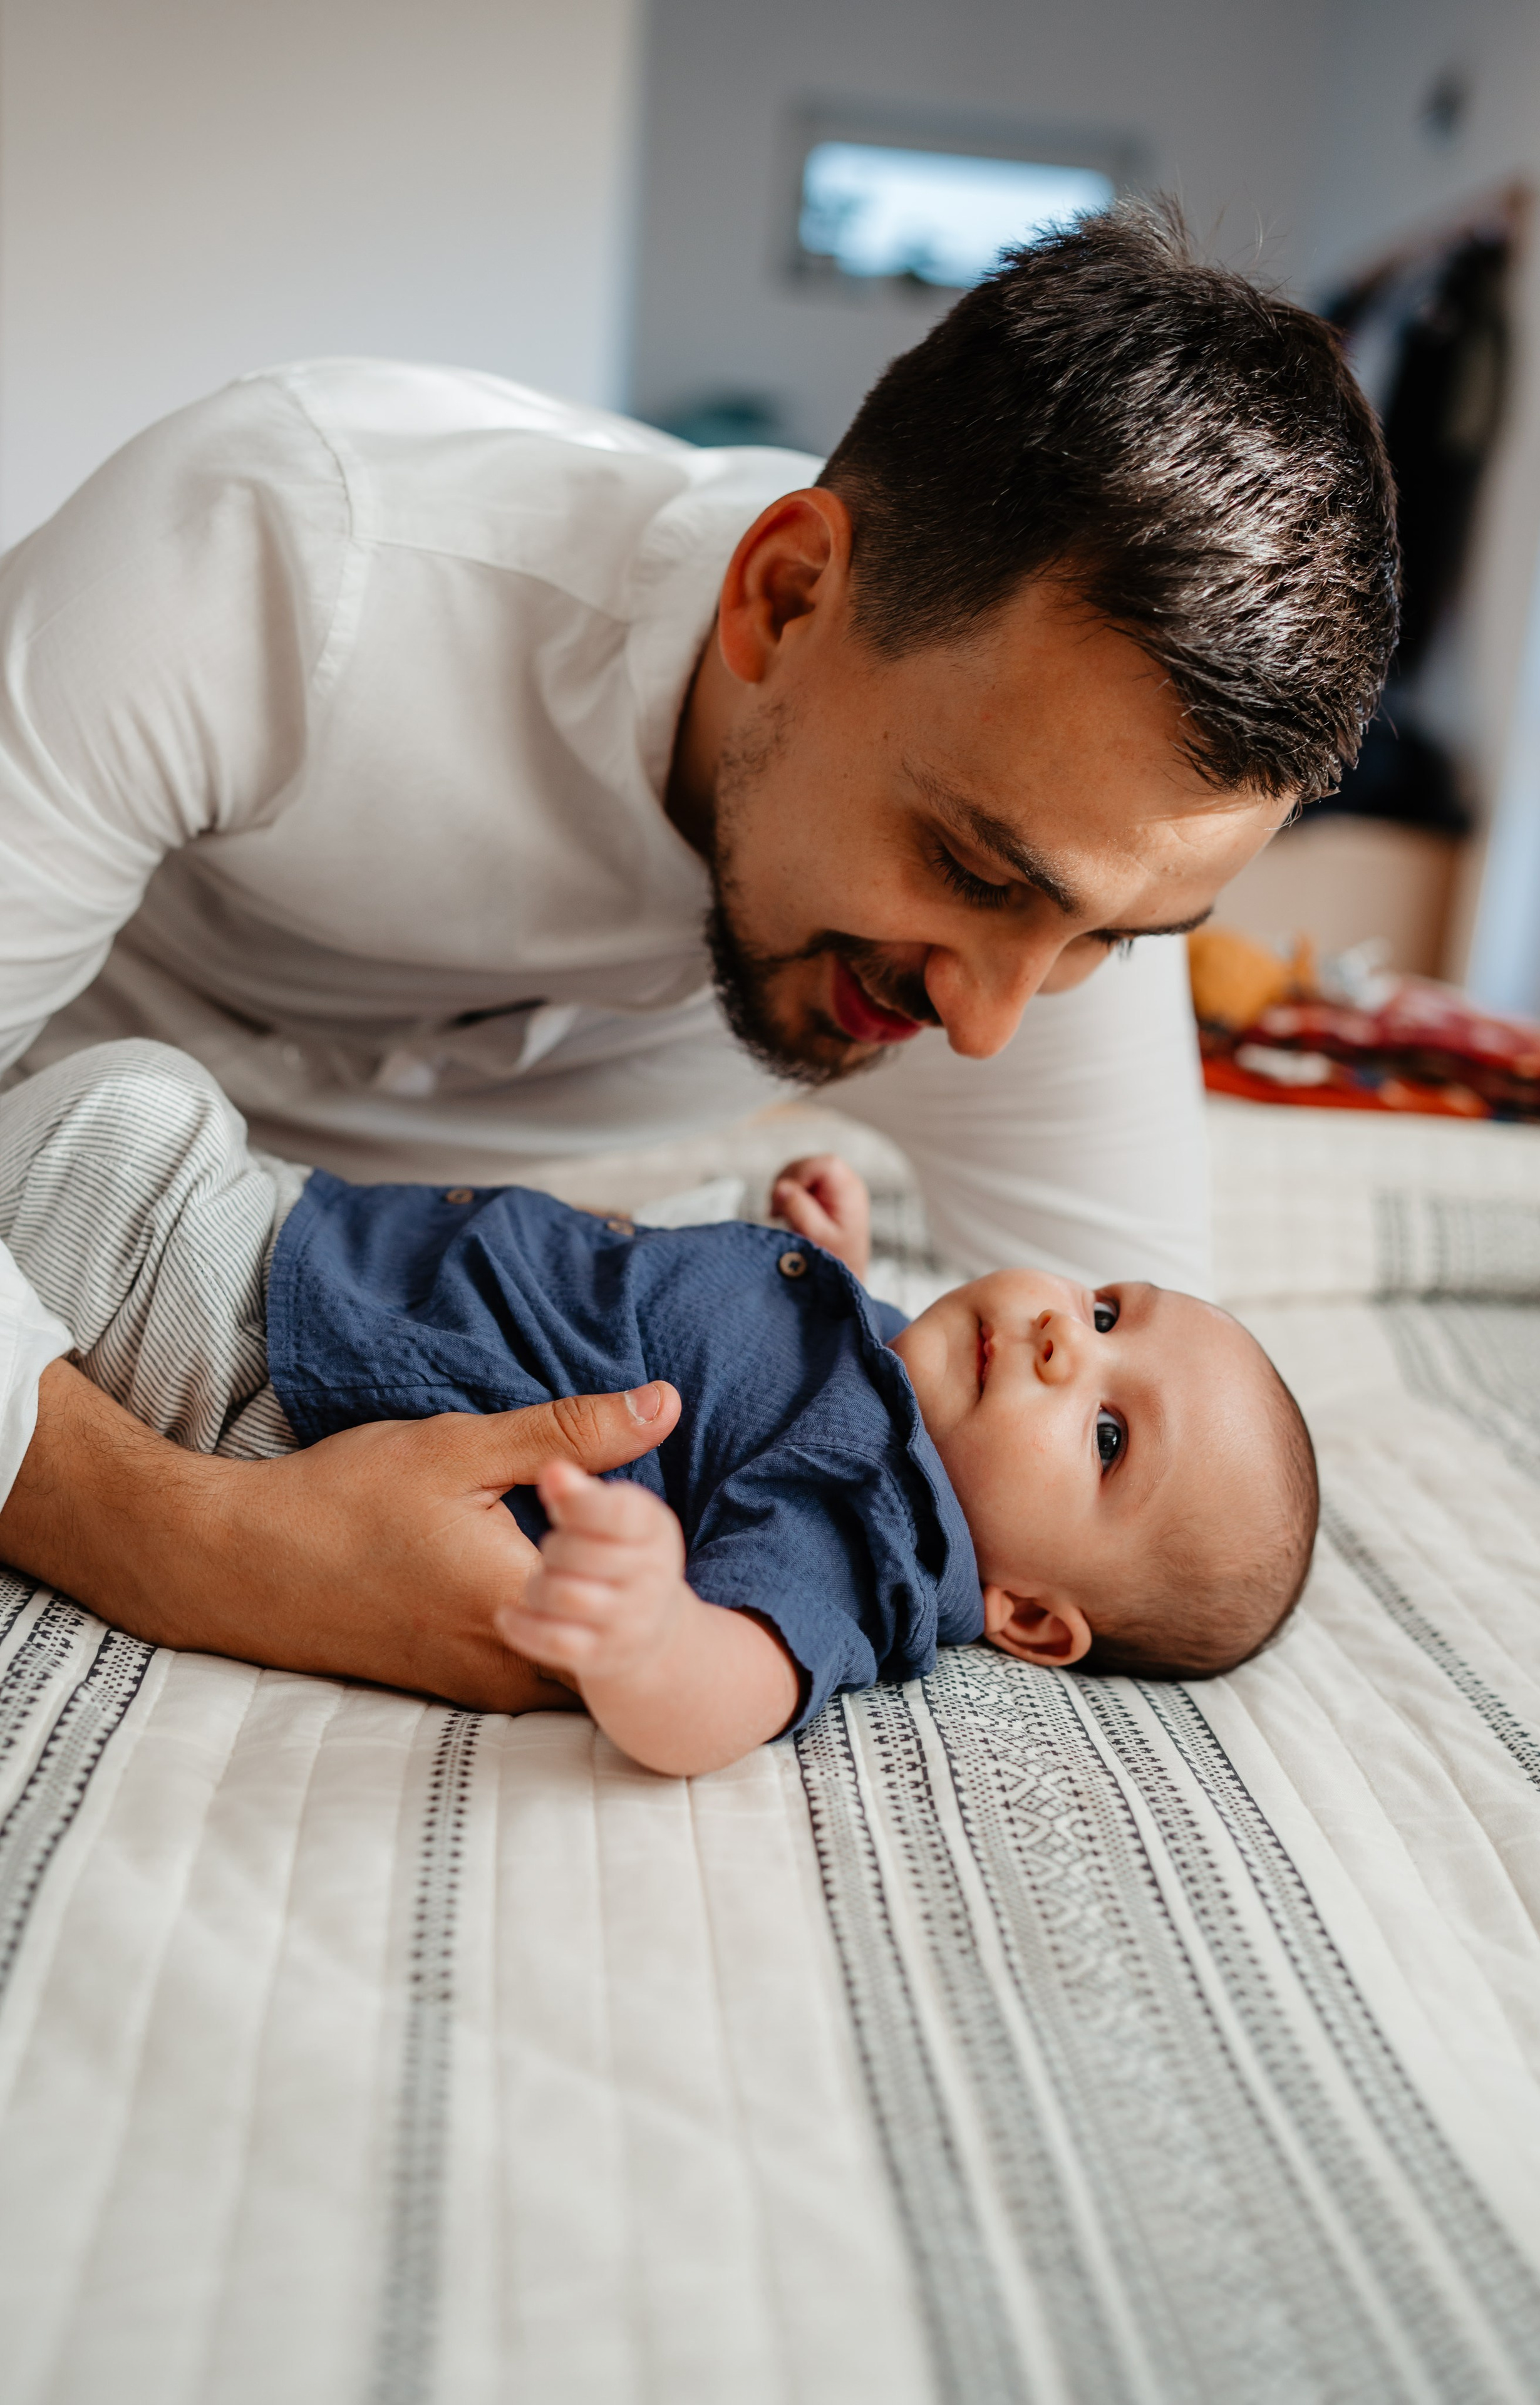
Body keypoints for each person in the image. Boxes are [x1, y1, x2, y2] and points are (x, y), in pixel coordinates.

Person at [0, 203, 1394, 1708]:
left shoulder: (1056, 890)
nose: (992, 1025)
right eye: (972, 869)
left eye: (1116, 939)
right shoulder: (265, 556)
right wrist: (190, 1546)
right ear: (783, 595)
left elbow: (1130, 1521)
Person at [0, 1044, 1316, 1771]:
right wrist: (834, 1273)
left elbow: (731, 1687)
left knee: (116, 1126)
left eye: (1103, 1435)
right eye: (1099, 1313)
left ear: (1028, 1617)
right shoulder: (887, 1378)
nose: (1053, 1344)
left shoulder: (861, 1536)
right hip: (308, 1250)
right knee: (129, 1103)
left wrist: (647, 1633)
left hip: (262, 1355)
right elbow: (763, 1382)